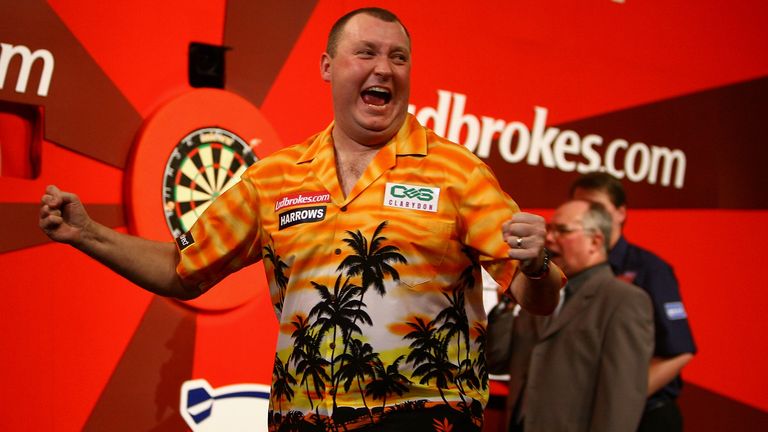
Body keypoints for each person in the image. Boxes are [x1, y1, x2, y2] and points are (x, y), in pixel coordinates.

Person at [39, 8, 564, 432]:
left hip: (425, 417)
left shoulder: (458, 171)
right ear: (328, 67)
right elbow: (182, 268)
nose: (384, 68)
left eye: (398, 57)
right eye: (367, 52)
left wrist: (537, 265)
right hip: (299, 418)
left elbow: (538, 300)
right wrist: (87, 234)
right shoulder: (276, 177)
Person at [487, 200, 654, 432]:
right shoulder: (537, 292)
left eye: (562, 231)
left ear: (595, 242)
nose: (550, 238)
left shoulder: (624, 300)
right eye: (549, 230)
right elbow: (496, 359)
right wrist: (508, 296)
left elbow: (621, 399)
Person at [570, 172, 696, 432]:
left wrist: (621, 400)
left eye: (597, 207)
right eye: (580, 207)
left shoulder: (650, 269)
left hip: (646, 416)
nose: (587, 216)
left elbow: (679, 350)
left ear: (620, 213)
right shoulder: (569, 269)